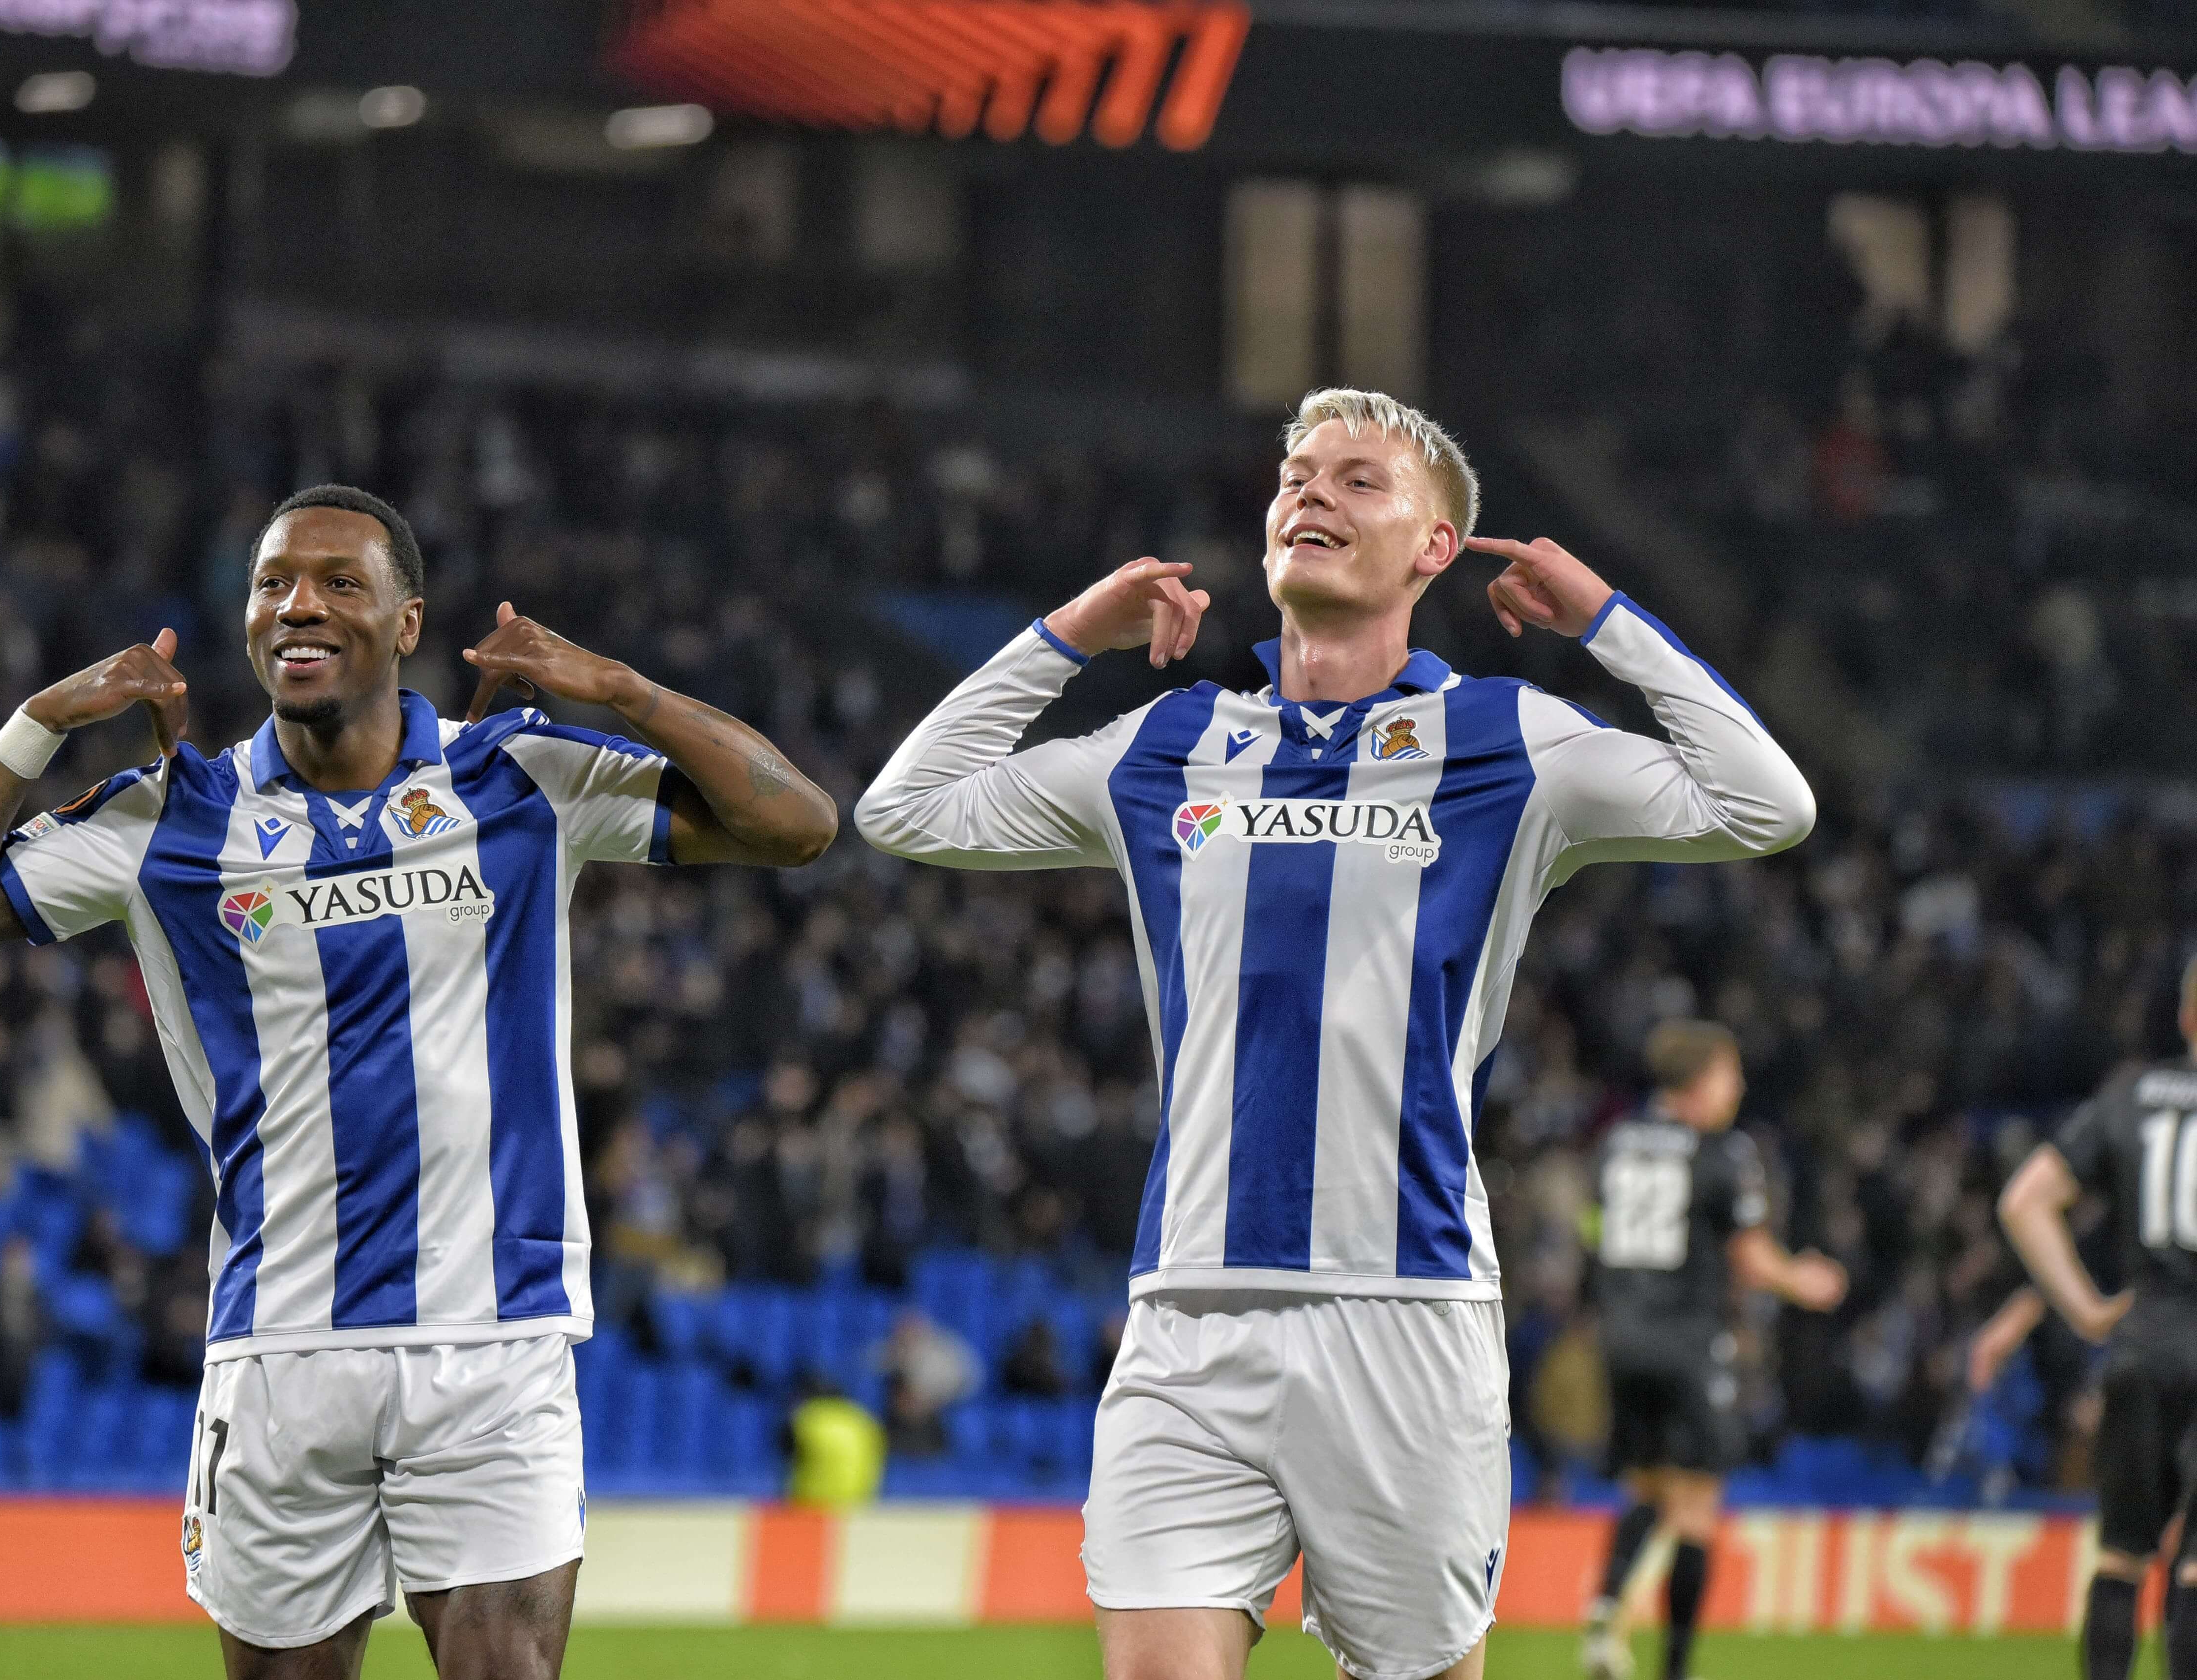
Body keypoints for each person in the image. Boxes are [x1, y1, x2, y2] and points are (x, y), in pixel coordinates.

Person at [855, 387, 1816, 1680]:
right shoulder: (1170, 741)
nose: (1311, 492)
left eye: (1361, 480)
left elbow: (1769, 804)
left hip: (1404, 1312)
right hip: (1191, 1313)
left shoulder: (1507, 741)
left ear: (1436, 550)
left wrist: (1605, 621)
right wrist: (1070, 634)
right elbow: (905, 809)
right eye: (1297, 474)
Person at [0, 484, 835, 1680]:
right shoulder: (173, 818)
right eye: (273, 582)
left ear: (408, 621)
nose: (299, 606)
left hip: (491, 1335)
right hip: (281, 1351)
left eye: (339, 582)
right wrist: (34, 725)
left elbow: (797, 823)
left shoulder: (518, 777)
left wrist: (627, 693)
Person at [1578, 1019, 1845, 1680]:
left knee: (1644, 1483)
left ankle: (1606, 1610)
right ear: (1700, 1081)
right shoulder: (1721, 1152)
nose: (1739, 1088)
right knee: (1697, 1503)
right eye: (1730, 1075)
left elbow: (1593, 1229)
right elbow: (1750, 1257)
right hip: (1689, 1339)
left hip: (1621, 1335)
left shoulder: (1614, 1144)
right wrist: (1803, 1278)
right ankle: (1675, 1668)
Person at [1997, 955, 2197, 1680]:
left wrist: (2083, 1307)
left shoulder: (2131, 1093)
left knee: (2121, 1554)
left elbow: (2024, 1201)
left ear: (2185, 1016)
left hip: (2141, 1344)